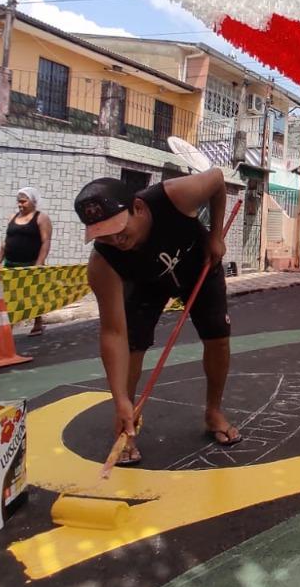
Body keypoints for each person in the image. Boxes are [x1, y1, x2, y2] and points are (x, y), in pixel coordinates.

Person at [75, 169, 239, 466]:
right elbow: (113, 333)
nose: (115, 240)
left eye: (119, 228)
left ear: (137, 208)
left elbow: (216, 180)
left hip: (198, 263)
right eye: (103, 235)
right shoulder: (103, 263)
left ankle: (213, 412)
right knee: (133, 345)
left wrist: (215, 236)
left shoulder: (175, 195)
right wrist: (119, 400)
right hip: (146, 283)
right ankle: (126, 427)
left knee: (217, 336)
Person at [0, 187, 52, 336]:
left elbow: (45, 241)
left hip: (30, 263)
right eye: (19, 202)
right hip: (10, 264)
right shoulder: (12, 218)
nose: (20, 205)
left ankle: (38, 322)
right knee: (10, 295)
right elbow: (6, 241)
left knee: (32, 295)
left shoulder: (41, 218)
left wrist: (39, 264)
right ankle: (9, 324)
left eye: (23, 201)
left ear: (33, 202)